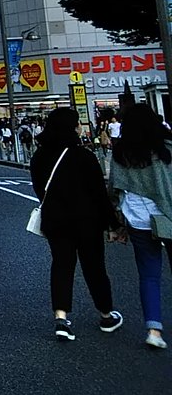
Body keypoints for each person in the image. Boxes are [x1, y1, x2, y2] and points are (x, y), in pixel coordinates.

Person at [30, 107, 125, 341]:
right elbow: (99, 195)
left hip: (55, 221)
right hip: (87, 221)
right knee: (94, 267)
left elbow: (39, 190)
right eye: (77, 123)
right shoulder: (84, 156)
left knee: (62, 265)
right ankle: (105, 314)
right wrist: (112, 224)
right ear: (72, 127)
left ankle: (61, 318)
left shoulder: (39, 157)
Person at [109, 104, 172, 349]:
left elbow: (114, 189)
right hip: (167, 215)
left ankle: (154, 331)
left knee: (149, 274)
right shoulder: (166, 149)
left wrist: (116, 222)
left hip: (138, 219)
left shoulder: (121, 152)